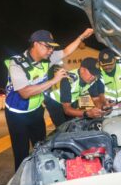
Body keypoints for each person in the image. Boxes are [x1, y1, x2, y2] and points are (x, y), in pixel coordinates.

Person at [5, 28, 93, 171]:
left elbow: (66, 51)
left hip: (36, 111)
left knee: (41, 148)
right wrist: (54, 80)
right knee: (21, 154)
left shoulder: (47, 58)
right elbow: (25, 93)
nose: (51, 50)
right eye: (48, 46)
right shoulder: (16, 63)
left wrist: (81, 36)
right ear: (36, 44)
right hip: (17, 114)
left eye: (52, 47)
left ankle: (42, 178)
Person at [45, 57, 106, 127]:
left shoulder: (92, 79)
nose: (94, 77)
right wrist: (87, 113)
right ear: (82, 70)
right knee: (63, 127)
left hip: (72, 99)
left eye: (96, 74)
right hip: (54, 102)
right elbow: (67, 110)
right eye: (92, 74)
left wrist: (99, 110)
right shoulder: (67, 80)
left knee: (73, 123)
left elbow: (96, 99)